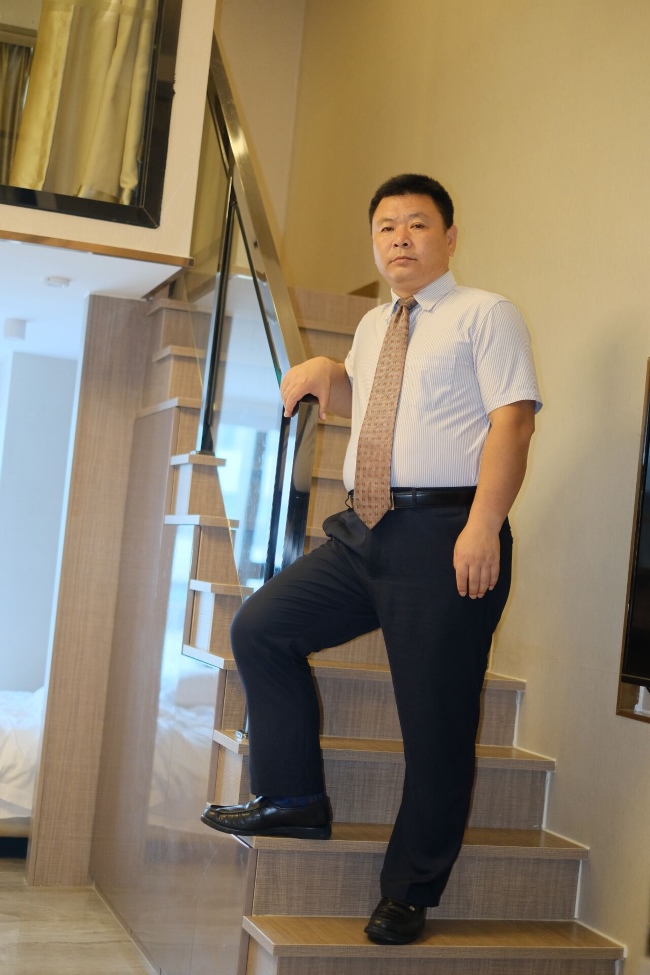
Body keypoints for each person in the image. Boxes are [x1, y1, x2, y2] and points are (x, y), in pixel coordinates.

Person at [201, 173, 542, 945]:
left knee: (434, 721)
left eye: (416, 224)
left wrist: (484, 523)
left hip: (447, 531)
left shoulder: (485, 313)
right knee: (262, 626)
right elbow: (391, 404)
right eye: (386, 227)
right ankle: (293, 798)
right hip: (365, 529)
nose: (400, 239)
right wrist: (333, 371)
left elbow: (512, 423)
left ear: (448, 236)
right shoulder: (372, 323)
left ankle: (410, 889)